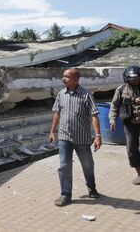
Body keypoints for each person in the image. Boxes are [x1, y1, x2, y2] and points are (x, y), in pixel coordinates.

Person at [49, 68, 102, 207]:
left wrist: (98, 136)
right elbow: (57, 113)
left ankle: (91, 187)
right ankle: (65, 194)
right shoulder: (61, 94)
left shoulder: (86, 95)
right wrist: (52, 132)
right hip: (64, 136)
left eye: (67, 76)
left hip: (82, 138)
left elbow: (94, 115)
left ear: (76, 79)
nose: (63, 78)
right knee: (64, 165)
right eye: (63, 76)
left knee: (88, 165)